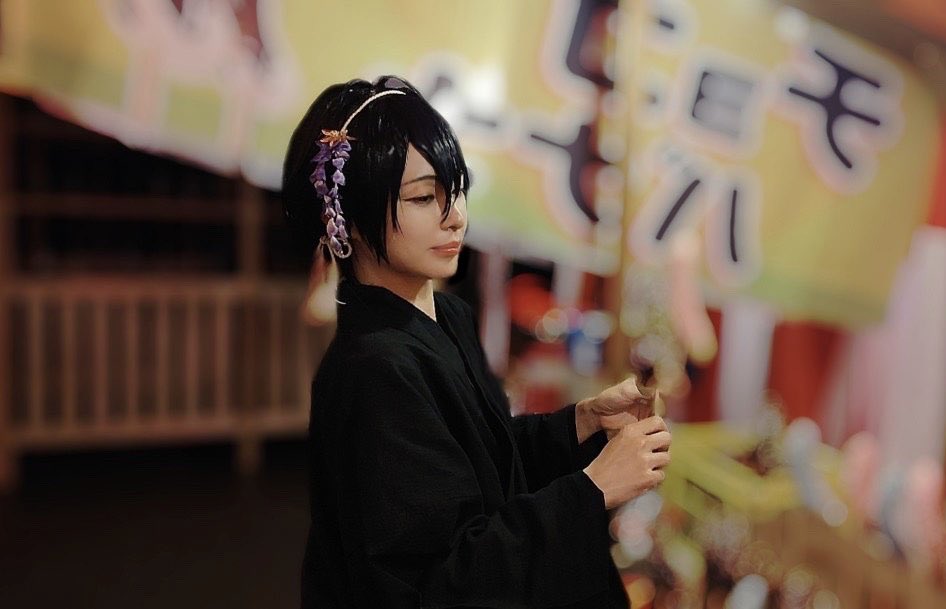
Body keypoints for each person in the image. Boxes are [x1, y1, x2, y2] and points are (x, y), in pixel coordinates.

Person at [282, 75, 672, 609]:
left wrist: (580, 423)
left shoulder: (444, 316)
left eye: (457, 189)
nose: (456, 216)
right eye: (424, 197)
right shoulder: (375, 369)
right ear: (349, 218)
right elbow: (441, 585)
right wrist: (593, 489)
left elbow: (482, 462)